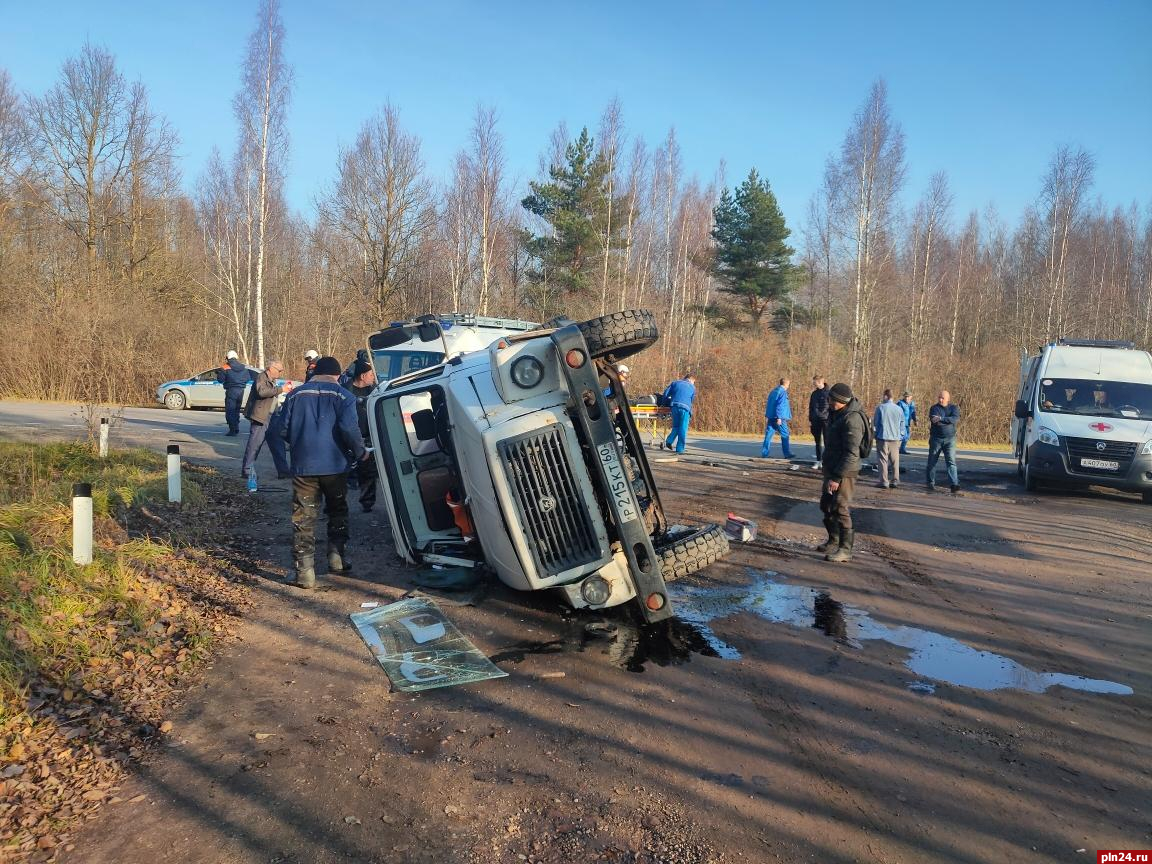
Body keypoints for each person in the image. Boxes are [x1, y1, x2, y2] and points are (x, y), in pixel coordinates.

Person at [279, 356, 368, 588]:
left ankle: (305, 574)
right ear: (338, 375)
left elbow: (283, 430)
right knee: (337, 510)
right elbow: (350, 429)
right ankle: (336, 559)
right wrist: (360, 453)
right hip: (336, 467)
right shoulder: (344, 396)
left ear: (315, 372)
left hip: (304, 467)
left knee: (304, 517)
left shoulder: (294, 395)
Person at [817, 383, 867, 563]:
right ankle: (833, 540)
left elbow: (851, 453)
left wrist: (837, 477)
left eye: (832, 400)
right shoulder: (836, 413)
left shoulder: (852, 419)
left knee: (840, 508)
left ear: (842, 401)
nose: (828, 402)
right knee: (826, 505)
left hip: (845, 471)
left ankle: (845, 550)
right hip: (832, 468)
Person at [241, 359, 293, 481]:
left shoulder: (272, 380)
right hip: (261, 417)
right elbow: (262, 392)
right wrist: (281, 390)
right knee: (254, 445)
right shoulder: (261, 377)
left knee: (277, 444)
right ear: (271, 368)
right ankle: (246, 470)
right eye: (279, 370)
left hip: (273, 417)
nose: (280, 373)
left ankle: (283, 471)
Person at [343, 355, 379, 512]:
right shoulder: (344, 391)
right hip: (347, 438)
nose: (374, 377)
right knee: (341, 472)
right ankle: (336, 504)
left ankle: (367, 503)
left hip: (368, 437)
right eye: (371, 374)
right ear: (363, 376)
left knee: (368, 472)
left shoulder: (376, 392)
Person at [926, 390, 961, 494]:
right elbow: (935, 421)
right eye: (939, 397)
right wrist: (946, 420)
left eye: (943, 398)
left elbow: (954, 419)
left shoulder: (953, 408)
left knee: (951, 462)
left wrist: (941, 419)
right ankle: (930, 482)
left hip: (950, 439)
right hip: (936, 439)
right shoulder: (934, 408)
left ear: (948, 399)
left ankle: (954, 484)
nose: (940, 399)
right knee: (932, 461)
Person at [873, 389, 906, 489]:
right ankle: (895, 479)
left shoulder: (880, 408)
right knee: (895, 460)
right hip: (895, 438)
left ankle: (884, 481)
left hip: (883, 437)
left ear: (886, 396)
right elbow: (902, 424)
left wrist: (876, 434)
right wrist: (901, 435)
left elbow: (876, 423)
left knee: (883, 460)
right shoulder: (899, 409)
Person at [215, 350, 250, 436]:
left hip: (231, 391)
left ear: (227, 358)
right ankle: (236, 427)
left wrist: (219, 373)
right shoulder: (243, 367)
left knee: (230, 410)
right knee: (236, 410)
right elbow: (248, 378)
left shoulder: (225, 367)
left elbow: (220, 380)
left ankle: (232, 430)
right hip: (241, 391)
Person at [661, 372, 697, 454]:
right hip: (685, 408)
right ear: (691, 379)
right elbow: (691, 400)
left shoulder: (675, 383)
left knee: (676, 426)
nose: (693, 383)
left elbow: (666, 393)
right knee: (683, 428)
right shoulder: (692, 387)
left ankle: (669, 441)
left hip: (674, 406)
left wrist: (664, 403)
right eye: (694, 381)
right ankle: (680, 449)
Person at [761, 378, 794, 459]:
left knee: (768, 435)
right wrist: (779, 417)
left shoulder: (773, 391)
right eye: (788, 384)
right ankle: (787, 454)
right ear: (786, 384)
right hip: (779, 418)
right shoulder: (782, 392)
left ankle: (765, 453)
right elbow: (780, 405)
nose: (788, 386)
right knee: (785, 434)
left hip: (771, 416)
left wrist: (768, 415)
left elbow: (769, 404)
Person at [808, 376, 830, 467]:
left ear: (820, 382)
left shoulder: (829, 393)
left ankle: (826, 461)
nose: (813, 384)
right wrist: (811, 417)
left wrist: (821, 415)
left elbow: (829, 406)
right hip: (815, 420)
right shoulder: (814, 393)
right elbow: (811, 407)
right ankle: (818, 460)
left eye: (815, 382)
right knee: (817, 441)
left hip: (825, 420)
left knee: (827, 441)